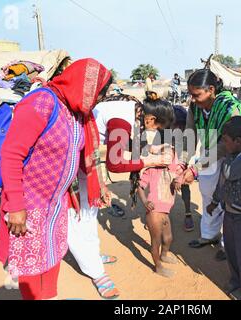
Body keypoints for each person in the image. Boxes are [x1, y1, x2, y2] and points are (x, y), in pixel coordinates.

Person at [0, 58, 113, 300]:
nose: (99, 99)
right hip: (29, 204)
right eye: (99, 94)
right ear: (86, 86)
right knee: (31, 267)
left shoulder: (75, 112)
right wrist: (17, 207)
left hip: (56, 202)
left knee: (52, 256)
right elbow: (11, 154)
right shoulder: (42, 102)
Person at [69, 94, 174, 298]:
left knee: (90, 210)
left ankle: (91, 256)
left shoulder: (134, 109)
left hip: (85, 157)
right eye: (157, 128)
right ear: (151, 119)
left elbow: (124, 144)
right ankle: (95, 272)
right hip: (73, 160)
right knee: (77, 215)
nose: (155, 132)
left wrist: (150, 150)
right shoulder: (121, 120)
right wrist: (149, 162)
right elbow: (115, 164)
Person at [181, 69, 241, 259]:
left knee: (228, 200)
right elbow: (190, 135)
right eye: (191, 94)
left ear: (210, 89)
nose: (193, 99)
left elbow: (227, 144)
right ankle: (210, 235)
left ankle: (228, 243)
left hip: (232, 156)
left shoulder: (229, 106)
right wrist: (184, 162)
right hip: (209, 155)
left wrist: (196, 168)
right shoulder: (195, 108)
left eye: (196, 95)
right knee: (208, 195)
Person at [207, 116, 241, 300]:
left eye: (225, 140)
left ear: (239, 141)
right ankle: (236, 279)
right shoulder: (232, 157)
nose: (223, 143)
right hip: (229, 215)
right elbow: (221, 183)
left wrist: (224, 158)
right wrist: (215, 201)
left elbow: (229, 174)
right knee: (231, 251)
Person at [138, 143, 180, 278]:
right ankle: (158, 266)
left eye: (170, 155)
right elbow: (140, 186)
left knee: (168, 238)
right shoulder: (151, 170)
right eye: (164, 154)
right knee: (155, 242)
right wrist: (145, 201)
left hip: (165, 213)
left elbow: (181, 177)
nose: (167, 158)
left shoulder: (174, 170)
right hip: (154, 212)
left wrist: (179, 180)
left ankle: (164, 255)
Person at [172, 105, 194, 232]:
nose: (179, 128)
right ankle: (159, 213)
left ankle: (188, 213)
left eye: (182, 125)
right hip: (168, 154)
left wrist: (181, 169)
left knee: (184, 182)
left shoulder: (188, 133)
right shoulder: (163, 131)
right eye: (176, 125)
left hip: (182, 155)